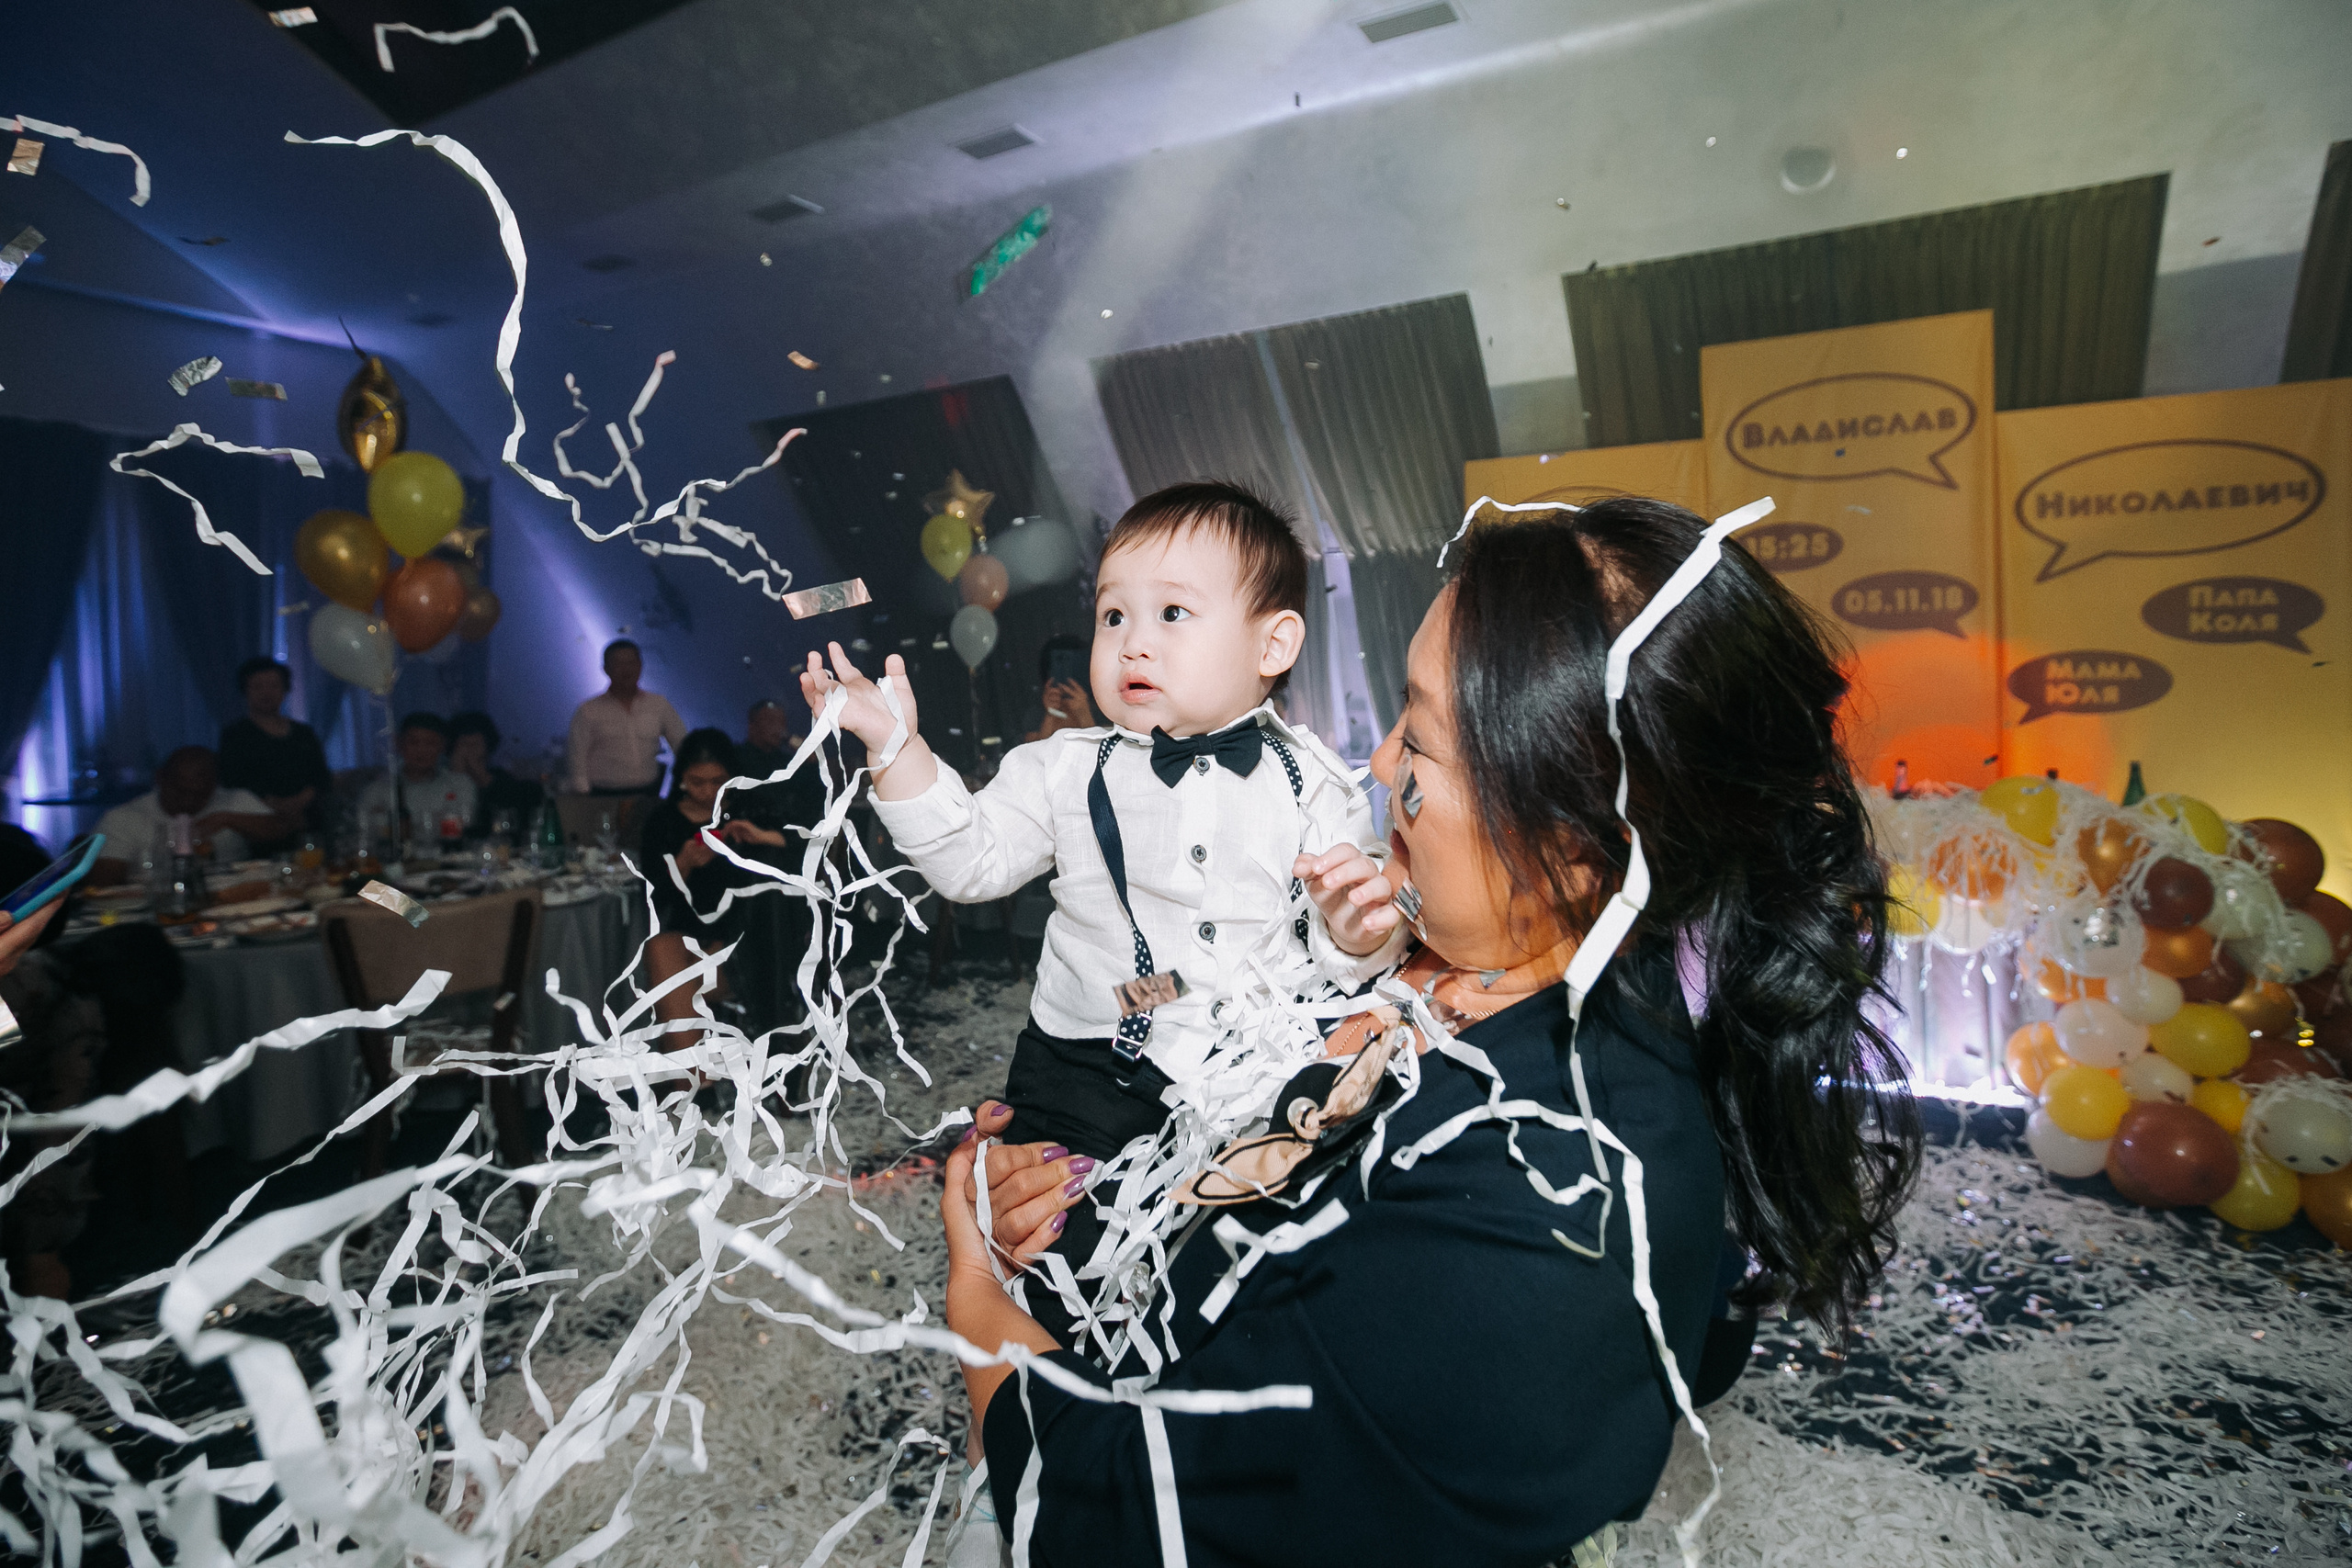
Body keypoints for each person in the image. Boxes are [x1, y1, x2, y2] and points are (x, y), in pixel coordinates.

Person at [939, 498, 1921, 1562]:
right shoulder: (1423, 964)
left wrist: (978, 1298)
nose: (1375, 767)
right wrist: (1066, 1191)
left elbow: (1133, 1515)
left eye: (1421, 735)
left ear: (1584, 837)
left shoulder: (1555, 1200)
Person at [808, 481, 1406, 1325]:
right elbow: (970, 859)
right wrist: (895, 748)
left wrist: (1350, 930)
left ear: (1273, 643)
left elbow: (1345, 943)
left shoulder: (1315, 780)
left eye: (1172, 615)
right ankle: (1063, 1401)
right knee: (1060, 1262)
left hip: (1250, 1076)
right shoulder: (1062, 765)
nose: (1133, 644)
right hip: (1088, 1064)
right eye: (1113, 616)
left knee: (1239, 1282)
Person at [637, 728, 796, 1049]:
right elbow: (653, 897)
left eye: (717, 781)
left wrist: (763, 838)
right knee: (661, 949)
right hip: (692, 934)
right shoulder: (664, 821)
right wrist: (682, 863)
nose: (708, 791)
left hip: (752, 936)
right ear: (681, 778)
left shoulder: (750, 808)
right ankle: (697, 1085)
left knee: (673, 987)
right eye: (697, 782)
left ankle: (694, 1089)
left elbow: (807, 853)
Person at [90, 747, 289, 884]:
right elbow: (102, 882)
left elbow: (282, 830)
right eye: (180, 792)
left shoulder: (234, 801)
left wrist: (228, 818)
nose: (188, 802)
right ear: (160, 779)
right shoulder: (122, 818)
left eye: (200, 795)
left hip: (234, 899)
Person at [216, 656, 334, 828]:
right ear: (245, 691)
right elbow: (233, 780)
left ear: (285, 689)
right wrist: (274, 804)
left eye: (274, 686)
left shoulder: (303, 733)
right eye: (258, 687)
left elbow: (321, 777)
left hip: (308, 818)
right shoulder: (235, 735)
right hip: (258, 821)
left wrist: (299, 801)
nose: (266, 693)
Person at [566, 639, 686, 798]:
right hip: (604, 795)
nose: (626, 669)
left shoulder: (659, 705)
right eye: (618, 664)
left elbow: (682, 744)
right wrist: (583, 794)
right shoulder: (588, 710)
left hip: (648, 793)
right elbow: (577, 756)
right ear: (606, 669)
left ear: (640, 665)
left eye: (631, 662)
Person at [358, 714, 478, 844]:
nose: (421, 750)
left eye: (430, 743)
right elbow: (365, 832)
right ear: (399, 744)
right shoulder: (377, 790)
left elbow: (465, 825)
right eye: (413, 742)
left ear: (443, 746)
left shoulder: (459, 784)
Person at [733, 698, 823, 836]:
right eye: (770, 722)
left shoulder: (790, 764)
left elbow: (814, 802)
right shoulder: (735, 758)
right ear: (753, 725)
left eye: (782, 723)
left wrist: (812, 764)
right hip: (743, 834)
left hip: (784, 839)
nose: (778, 728)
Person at [447, 711, 544, 837]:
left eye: (475, 744)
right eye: (464, 744)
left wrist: (482, 777)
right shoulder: (440, 781)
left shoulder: (502, 781)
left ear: (488, 747)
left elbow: (523, 806)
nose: (469, 751)